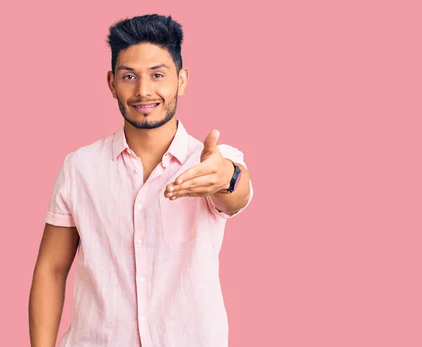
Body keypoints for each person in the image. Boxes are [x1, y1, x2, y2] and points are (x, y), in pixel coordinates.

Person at [28, 14, 253, 347]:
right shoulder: (80, 167)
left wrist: (226, 177)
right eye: (129, 76)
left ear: (181, 80)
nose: (143, 91)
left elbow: (235, 191)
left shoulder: (210, 160)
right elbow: (52, 269)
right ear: (111, 83)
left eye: (158, 75)